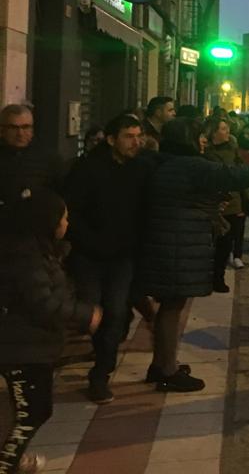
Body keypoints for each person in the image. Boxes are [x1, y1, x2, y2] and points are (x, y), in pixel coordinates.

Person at [136, 118, 249, 392]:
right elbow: (230, 175)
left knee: (169, 307)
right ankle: (168, 371)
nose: (203, 141)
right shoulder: (188, 165)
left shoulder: (161, 162)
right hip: (176, 244)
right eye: (199, 136)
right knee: (172, 307)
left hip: (164, 241)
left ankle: (161, 364)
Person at [0, 192, 101, 474]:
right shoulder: (25, 257)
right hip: (20, 348)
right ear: (48, 222)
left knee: (29, 410)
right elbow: (43, 303)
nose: (67, 223)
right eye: (64, 218)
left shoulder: (36, 249)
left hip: (28, 345)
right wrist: (85, 314)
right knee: (32, 412)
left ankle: (13, 459)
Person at [63, 114, 151, 404]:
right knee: (92, 312)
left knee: (114, 311)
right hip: (89, 256)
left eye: (138, 136)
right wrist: (89, 242)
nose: (135, 142)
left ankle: (101, 373)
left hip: (122, 257)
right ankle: (99, 352)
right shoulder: (87, 169)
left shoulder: (140, 169)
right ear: (112, 139)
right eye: (129, 136)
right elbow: (71, 212)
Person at [204, 116, 249, 277]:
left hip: (234, 198)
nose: (227, 132)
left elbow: (242, 173)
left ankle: (233, 258)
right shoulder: (206, 152)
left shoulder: (233, 148)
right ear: (213, 132)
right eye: (223, 129)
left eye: (227, 129)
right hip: (215, 200)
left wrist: (248, 196)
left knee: (234, 231)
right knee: (217, 236)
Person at [0, 104, 62, 209]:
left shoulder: (49, 159)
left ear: (32, 129)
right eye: (13, 128)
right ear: (2, 130)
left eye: (25, 127)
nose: (20, 133)